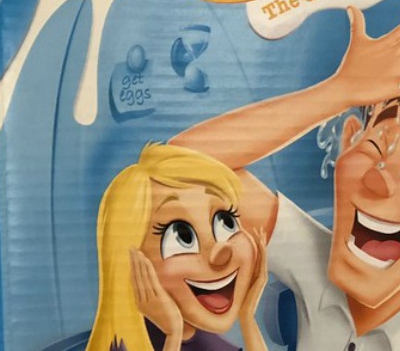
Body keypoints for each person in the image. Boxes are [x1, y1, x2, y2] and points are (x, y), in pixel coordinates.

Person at [172, 2, 400, 350]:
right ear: (348, 143)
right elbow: (180, 164)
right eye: (374, 145)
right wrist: (338, 92)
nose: (379, 179)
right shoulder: (310, 257)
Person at [87, 144, 269, 351]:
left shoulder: (207, 342)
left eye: (225, 221)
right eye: (182, 236)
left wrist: (247, 317)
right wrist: (173, 335)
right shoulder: (121, 346)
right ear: (130, 263)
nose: (220, 253)